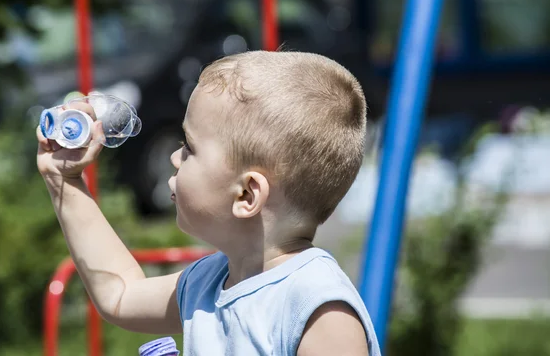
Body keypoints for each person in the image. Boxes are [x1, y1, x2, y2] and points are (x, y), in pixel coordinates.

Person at [37, 51, 381, 355]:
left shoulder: (317, 308)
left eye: (189, 147)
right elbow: (120, 294)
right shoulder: (209, 281)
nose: (174, 157)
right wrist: (64, 181)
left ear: (246, 194)